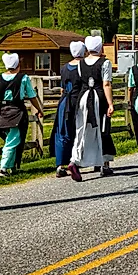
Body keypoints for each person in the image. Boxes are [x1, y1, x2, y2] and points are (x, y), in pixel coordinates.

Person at [0, 53, 45, 177]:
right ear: (17, 64)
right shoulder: (23, 78)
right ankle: (3, 168)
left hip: (3, 111)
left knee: (11, 139)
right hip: (17, 111)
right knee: (12, 140)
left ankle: (12, 166)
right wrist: (39, 109)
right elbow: (32, 96)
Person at [69, 35, 116, 181]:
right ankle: (104, 164)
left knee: (81, 130)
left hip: (83, 99)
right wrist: (110, 103)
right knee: (102, 128)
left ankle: (74, 160)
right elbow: (106, 84)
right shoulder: (105, 63)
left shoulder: (80, 63)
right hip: (97, 98)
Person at [50, 41, 85, 178]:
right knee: (78, 131)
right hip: (77, 101)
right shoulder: (83, 66)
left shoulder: (64, 68)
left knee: (62, 132)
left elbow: (63, 88)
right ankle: (76, 161)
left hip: (64, 102)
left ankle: (60, 164)